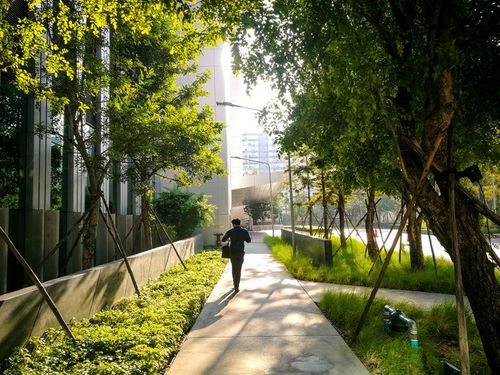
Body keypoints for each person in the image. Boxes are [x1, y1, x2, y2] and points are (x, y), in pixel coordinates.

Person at [222, 218, 251, 293]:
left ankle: (235, 285)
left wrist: (229, 239)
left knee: (234, 268)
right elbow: (248, 241)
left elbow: (223, 240)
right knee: (239, 269)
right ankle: (236, 286)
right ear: (239, 223)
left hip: (232, 252)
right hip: (241, 252)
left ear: (233, 224)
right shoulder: (244, 231)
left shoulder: (230, 231)